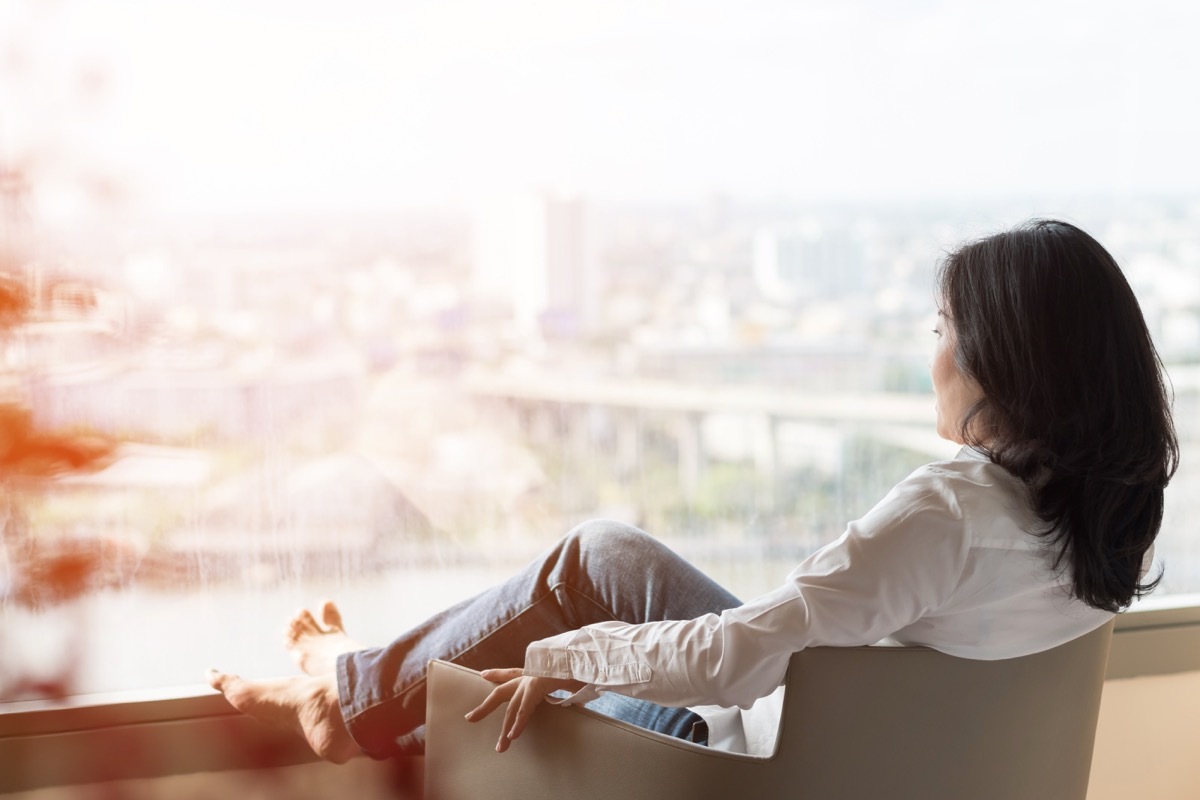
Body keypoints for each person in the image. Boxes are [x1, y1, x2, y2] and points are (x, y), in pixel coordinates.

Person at [207, 218, 1178, 762]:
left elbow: (731, 665)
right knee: (602, 558)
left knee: (553, 633)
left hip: (760, 767)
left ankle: (348, 699)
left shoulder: (946, 515)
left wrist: (562, 654)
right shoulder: (1105, 515)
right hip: (893, 763)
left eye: (940, 332)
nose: (931, 357)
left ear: (1001, 363)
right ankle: (356, 688)